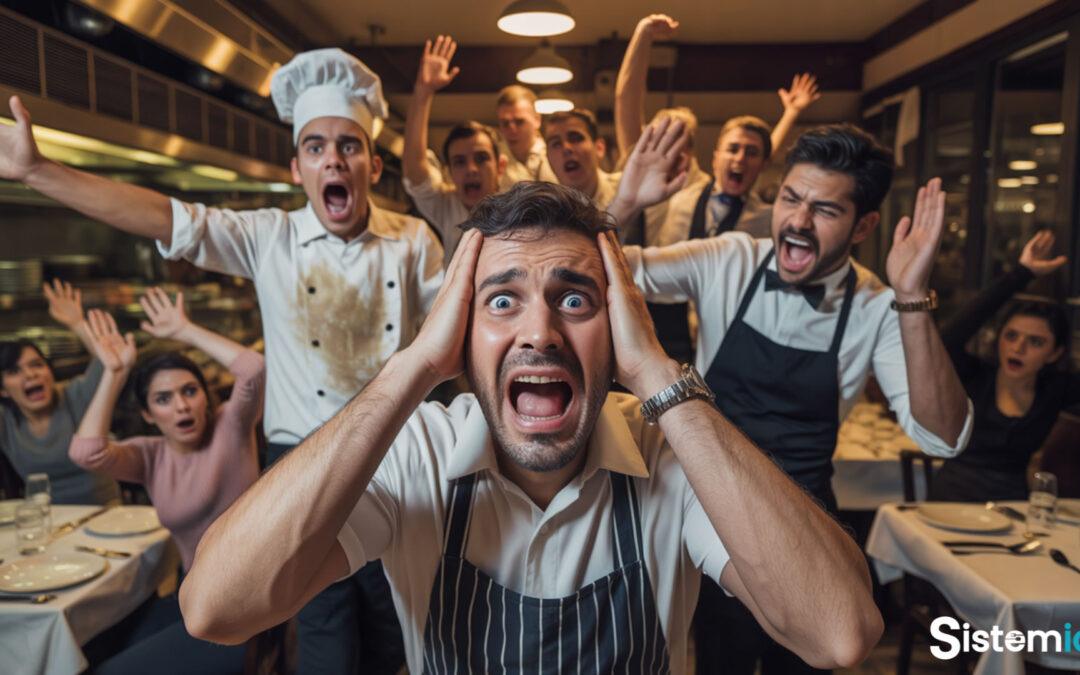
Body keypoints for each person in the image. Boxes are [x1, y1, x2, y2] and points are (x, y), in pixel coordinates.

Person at [178, 179, 884, 675]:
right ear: (463, 330)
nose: (539, 333)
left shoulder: (668, 453)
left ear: (617, 329)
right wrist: (415, 365)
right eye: (503, 300)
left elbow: (840, 631)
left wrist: (661, 377)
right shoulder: (420, 453)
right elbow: (218, 607)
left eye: (574, 298)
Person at [0, 48, 433, 675]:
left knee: (396, 613)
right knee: (322, 625)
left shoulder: (413, 240)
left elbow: (456, 323)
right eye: (315, 147)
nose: (333, 159)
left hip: (395, 451)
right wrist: (41, 172)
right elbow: (165, 217)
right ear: (296, 167)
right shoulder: (269, 236)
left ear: (372, 162)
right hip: (301, 457)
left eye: (348, 145)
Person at [611, 123, 973, 674]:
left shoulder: (878, 304)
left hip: (808, 522)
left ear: (863, 226)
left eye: (825, 211)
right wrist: (627, 199)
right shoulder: (730, 259)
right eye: (790, 199)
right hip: (717, 515)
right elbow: (611, 270)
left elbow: (942, 437)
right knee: (719, 660)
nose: (798, 222)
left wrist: (912, 298)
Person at [69, 290, 261, 673]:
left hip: (250, 599)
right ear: (148, 414)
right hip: (193, 594)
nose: (182, 406)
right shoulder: (148, 453)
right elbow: (86, 452)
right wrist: (115, 373)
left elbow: (253, 368)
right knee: (91, 652)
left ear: (206, 397)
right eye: (164, 399)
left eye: (190, 392)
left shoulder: (231, 425)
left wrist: (185, 330)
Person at [615, 14, 822, 246]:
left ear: (692, 155)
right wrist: (643, 35)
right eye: (732, 149)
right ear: (716, 157)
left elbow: (761, 151)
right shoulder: (676, 188)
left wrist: (791, 113)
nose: (740, 159)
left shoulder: (757, 211)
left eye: (679, 146)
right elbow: (626, 102)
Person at [930, 230, 1077, 502]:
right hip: (951, 497)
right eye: (1011, 336)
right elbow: (949, 335)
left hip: (1013, 505)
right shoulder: (974, 374)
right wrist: (1021, 274)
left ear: (1055, 353)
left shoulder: (1058, 389)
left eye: (1035, 342)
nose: (1018, 348)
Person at [0, 279, 119, 505]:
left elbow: (110, 362)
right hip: (46, 520)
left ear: (49, 372)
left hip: (103, 514)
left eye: (36, 365)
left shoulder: (75, 395)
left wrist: (77, 323)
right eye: (15, 371)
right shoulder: (6, 421)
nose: (30, 375)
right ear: (3, 390)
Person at [404, 35, 506, 263]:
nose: (471, 169)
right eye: (459, 162)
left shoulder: (518, 209)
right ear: (448, 172)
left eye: (481, 158)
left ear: (500, 166)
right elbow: (415, 172)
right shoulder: (446, 205)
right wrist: (423, 92)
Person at [543, 108, 622, 210]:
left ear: (599, 147)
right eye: (556, 144)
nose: (566, 148)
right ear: (548, 158)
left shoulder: (629, 190)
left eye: (575, 139)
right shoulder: (545, 212)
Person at [495, 85, 558, 187]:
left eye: (519, 122)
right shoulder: (493, 161)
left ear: (537, 120)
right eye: (505, 123)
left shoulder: (558, 154)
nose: (512, 129)